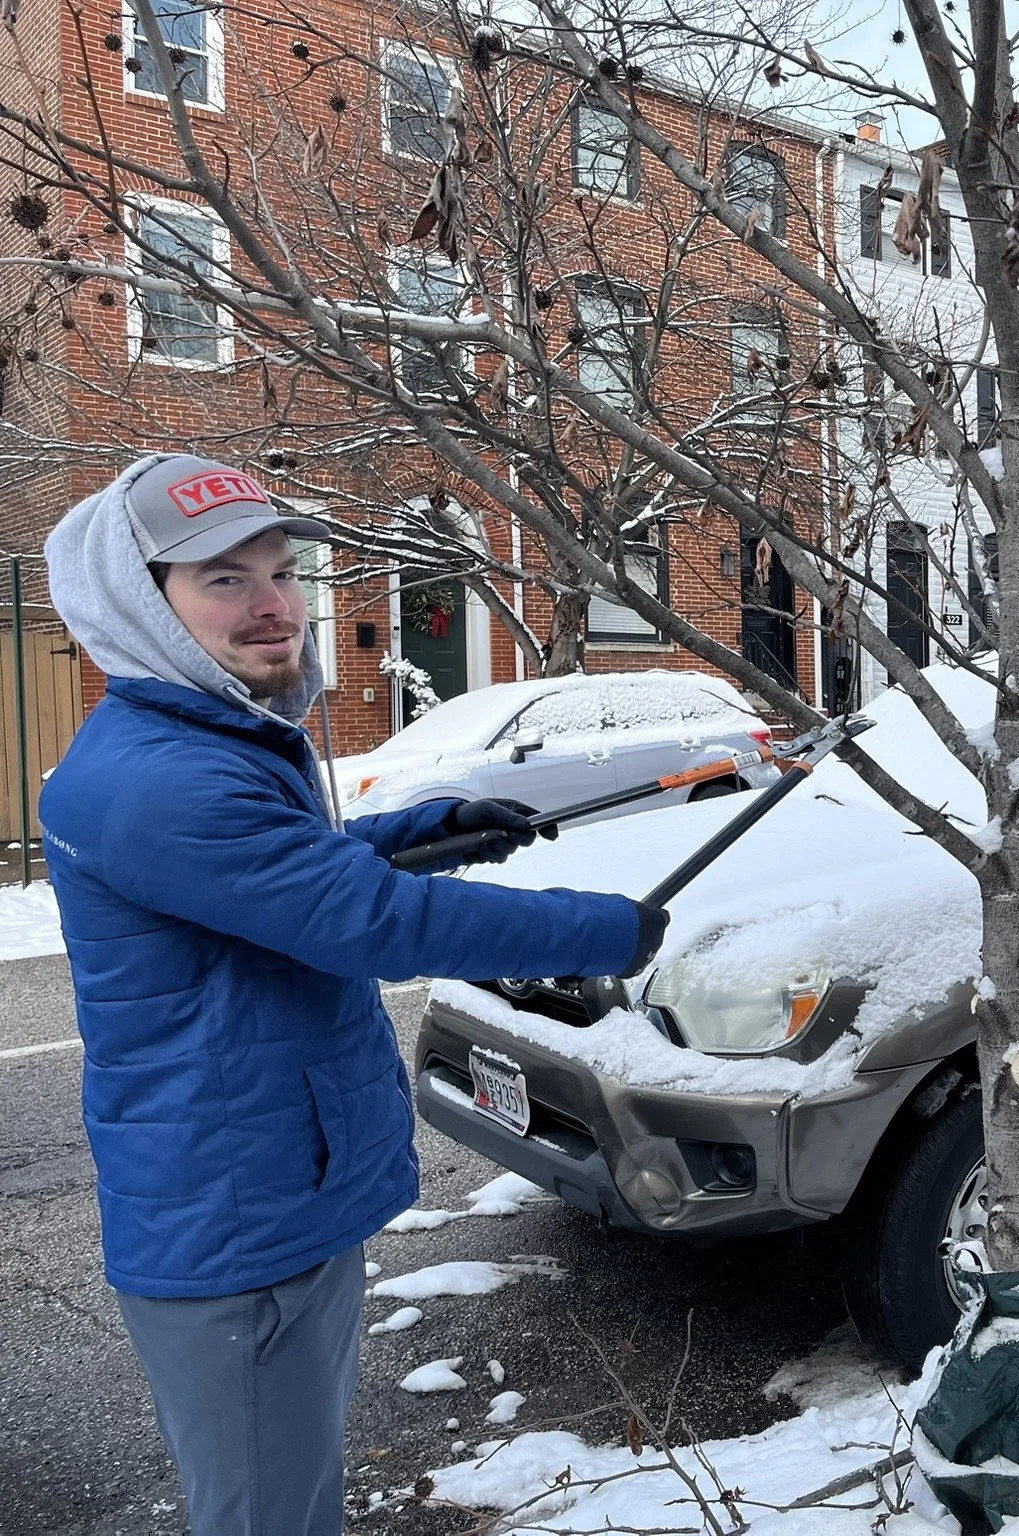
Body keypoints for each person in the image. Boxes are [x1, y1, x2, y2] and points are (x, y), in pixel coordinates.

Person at [40, 455, 671, 1536]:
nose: (275, 604)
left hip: (270, 1190)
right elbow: (373, 923)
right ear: (143, 603)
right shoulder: (165, 778)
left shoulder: (196, 736)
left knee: (293, 1499)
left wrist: (416, 831)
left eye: (282, 571)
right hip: (236, 1228)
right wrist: (601, 927)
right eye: (223, 580)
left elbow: (286, 870)